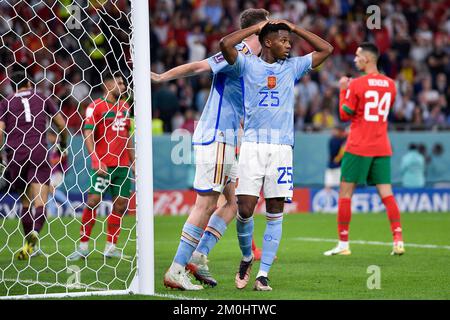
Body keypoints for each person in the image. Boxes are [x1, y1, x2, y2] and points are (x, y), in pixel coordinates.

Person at [156, 8, 270, 291]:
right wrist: (160, 78)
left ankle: (198, 255)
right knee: (205, 204)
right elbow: (198, 67)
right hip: (216, 135)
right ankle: (176, 269)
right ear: (259, 30)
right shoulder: (237, 53)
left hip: (230, 139)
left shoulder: (254, 61)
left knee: (233, 204)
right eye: (268, 28)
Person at [220, 20, 333, 290]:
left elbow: (326, 49)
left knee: (275, 210)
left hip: (282, 149)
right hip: (252, 146)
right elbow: (225, 44)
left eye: (289, 41)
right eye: (283, 41)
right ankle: (247, 256)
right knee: (245, 208)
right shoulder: (248, 65)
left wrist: (294, 28)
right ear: (268, 42)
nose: (289, 45)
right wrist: (257, 28)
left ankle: (263, 274)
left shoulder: (292, 67)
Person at [323, 42, 405, 257]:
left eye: (358, 56)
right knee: (386, 193)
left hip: (358, 144)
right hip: (381, 145)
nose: (355, 59)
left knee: (345, 193)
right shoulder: (391, 85)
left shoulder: (357, 85)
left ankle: (343, 244)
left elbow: (344, 115)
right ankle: (398, 239)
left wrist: (343, 90)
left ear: (367, 59)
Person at [0, 67, 68, 260]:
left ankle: (28, 243)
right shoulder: (42, 98)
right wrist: (63, 144)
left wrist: (0, 155)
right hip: (38, 151)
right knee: (40, 201)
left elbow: (0, 131)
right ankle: (35, 235)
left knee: (25, 201)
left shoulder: (6, 102)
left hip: (16, 154)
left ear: (13, 88)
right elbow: (62, 125)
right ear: (29, 83)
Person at [67, 72, 135, 261]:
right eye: (119, 83)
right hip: (103, 165)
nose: (123, 86)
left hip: (122, 167)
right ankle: (83, 246)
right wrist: (96, 159)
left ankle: (111, 247)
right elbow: (88, 133)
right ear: (107, 84)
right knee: (93, 201)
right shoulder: (95, 107)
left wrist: (133, 160)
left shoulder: (125, 106)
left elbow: (127, 135)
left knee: (120, 205)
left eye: (123, 83)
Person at [46, 131, 71, 217]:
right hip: (53, 173)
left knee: (51, 189)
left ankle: (69, 206)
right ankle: (51, 212)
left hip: (58, 173)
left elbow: (64, 156)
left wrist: (54, 161)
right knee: (49, 192)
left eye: (50, 136)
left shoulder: (60, 146)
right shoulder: (53, 147)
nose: (49, 138)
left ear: (55, 136)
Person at [324, 124, 347, 191]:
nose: (333, 132)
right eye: (333, 130)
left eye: (336, 130)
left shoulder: (344, 140)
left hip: (340, 167)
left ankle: (342, 200)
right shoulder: (333, 140)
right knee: (328, 186)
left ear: (340, 131)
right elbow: (334, 154)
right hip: (332, 166)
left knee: (342, 186)